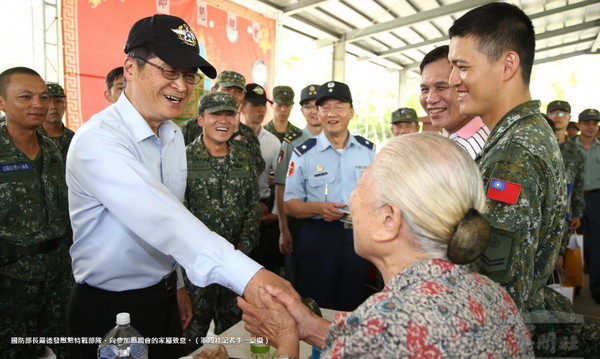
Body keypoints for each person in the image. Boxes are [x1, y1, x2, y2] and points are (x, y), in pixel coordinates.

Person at [65, 14, 294, 359]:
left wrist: (179, 286)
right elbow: (164, 220)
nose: (182, 86)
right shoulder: (99, 141)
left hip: (163, 295)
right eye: (169, 72)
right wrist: (252, 277)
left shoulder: (170, 137)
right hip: (109, 309)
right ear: (130, 68)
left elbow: (174, 220)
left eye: (189, 76)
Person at [238, 133, 534, 359]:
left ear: (389, 220)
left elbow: (381, 337)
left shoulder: (383, 323)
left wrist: (287, 341)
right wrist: (311, 326)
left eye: (361, 181)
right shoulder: (493, 294)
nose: (352, 198)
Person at [448, 3, 600, 355]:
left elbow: (498, 291)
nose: (454, 79)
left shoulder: (514, 151)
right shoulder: (527, 132)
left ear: (508, 65)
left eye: (462, 66)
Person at [0, 67, 73, 358]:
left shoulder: (53, 150)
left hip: (58, 276)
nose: (39, 104)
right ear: (2, 102)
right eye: (25, 97)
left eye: (43, 97)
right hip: (11, 282)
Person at [284, 81, 375, 311]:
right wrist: (318, 208)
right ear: (318, 112)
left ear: (351, 112)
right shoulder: (304, 154)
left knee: (353, 304)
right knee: (315, 305)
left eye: (339, 106)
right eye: (324, 107)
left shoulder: (368, 151)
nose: (332, 113)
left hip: (357, 238)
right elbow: (290, 205)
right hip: (319, 239)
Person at [183, 91, 260, 350]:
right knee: (191, 336)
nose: (223, 120)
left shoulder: (244, 159)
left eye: (230, 114)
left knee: (235, 336)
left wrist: (241, 254)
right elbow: (176, 215)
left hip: (235, 266)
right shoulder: (182, 160)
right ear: (200, 120)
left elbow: (252, 210)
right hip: (195, 270)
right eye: (216, 114)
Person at [275, 84, 322, 284]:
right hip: (299, 224)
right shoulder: (291, 143)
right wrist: (283, 230)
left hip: (329, 224)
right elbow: (280, 187)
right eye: (308, 106)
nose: (313, 111)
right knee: (298, 283)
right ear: (302, 111)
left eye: (317, 105)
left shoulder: (340, 142)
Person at [180, 70, 265, 174]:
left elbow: (257, 169)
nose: (233, 95)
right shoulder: (191, 127)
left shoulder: (248, 133)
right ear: (214, 90)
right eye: (227, 89)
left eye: (238, 91)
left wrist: (236, 133)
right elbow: (176, 165)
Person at [419, 45, 489, 159]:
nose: (430, 99)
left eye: (441, 87)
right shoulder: (449, 140)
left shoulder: (480, 150)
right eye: (425, 89)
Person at [242, 83, 283, 273]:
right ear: (242, 107)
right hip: (238, 211)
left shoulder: (273, 141)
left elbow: (281, 179)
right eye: (254, 105)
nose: (261, 110)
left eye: (263, 106)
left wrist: (275, 211)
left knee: (264, 265)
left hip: (265, 211)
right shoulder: (231, 137)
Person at [547, 100, 585, 270]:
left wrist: (577, 212)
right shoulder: (541, 145)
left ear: (569, 118)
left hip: (564, 213)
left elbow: (578, 183)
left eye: (562, 113)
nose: (557, 116)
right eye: (553, 112)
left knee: (557, 264)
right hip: (542, 210)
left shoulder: (575, 151)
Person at [576, 108, 600, 304]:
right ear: (579, 125)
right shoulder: (569, 148)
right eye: (586, 123)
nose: (591, 126)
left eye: (594, 123)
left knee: (596, 244)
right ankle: (573, 287)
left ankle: (596, 287)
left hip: (595, 199)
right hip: (574, 200)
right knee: (573, 243)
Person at [39, 82, 75, 162]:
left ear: (65, 105)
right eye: (48, 102)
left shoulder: (74, 138)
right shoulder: (31, 137)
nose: (53, 107)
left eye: (58, 101)